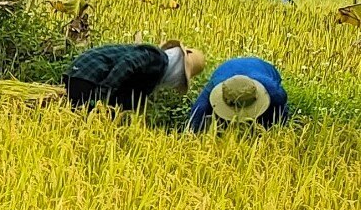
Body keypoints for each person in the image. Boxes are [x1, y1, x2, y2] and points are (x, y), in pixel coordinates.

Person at [63, 40, 204, 112]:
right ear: (178, 70)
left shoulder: (155, 71)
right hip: (89, 75)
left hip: (83, 74)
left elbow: (130, 93)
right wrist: (103, 94)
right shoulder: (157, 58)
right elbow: (127, 64)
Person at [187, 56, 290, 132]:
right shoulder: (215, 85)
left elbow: (282, 114)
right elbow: (197, 115)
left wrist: (272, 131)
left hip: (260, 67)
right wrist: (193, 133)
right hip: (227, 68)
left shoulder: (273, 92)